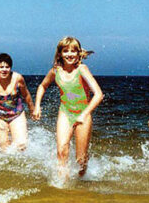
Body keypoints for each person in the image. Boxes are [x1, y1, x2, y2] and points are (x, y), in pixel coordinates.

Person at [33, 37, 103, 179]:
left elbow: (99, 94)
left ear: (78, 54)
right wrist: (37, 106)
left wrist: (84, 114)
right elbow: (42, 86)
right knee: (62, 151)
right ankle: (62, 185)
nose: (69, 54)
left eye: (73, 51)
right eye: (66, 51)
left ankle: (81, 181)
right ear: (60, 54)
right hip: (65, 112)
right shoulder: (55, 71)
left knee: (80, 160)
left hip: (83, 115)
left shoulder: (82, 69)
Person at [0, 53, 35, 151]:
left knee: (21, 145)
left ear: (10, 68)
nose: (4, 70)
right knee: (4, 148)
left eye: (7, 67)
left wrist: (32, 109)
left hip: (17, 114)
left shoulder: (18, 78)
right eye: (1, 67)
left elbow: (26, 95)